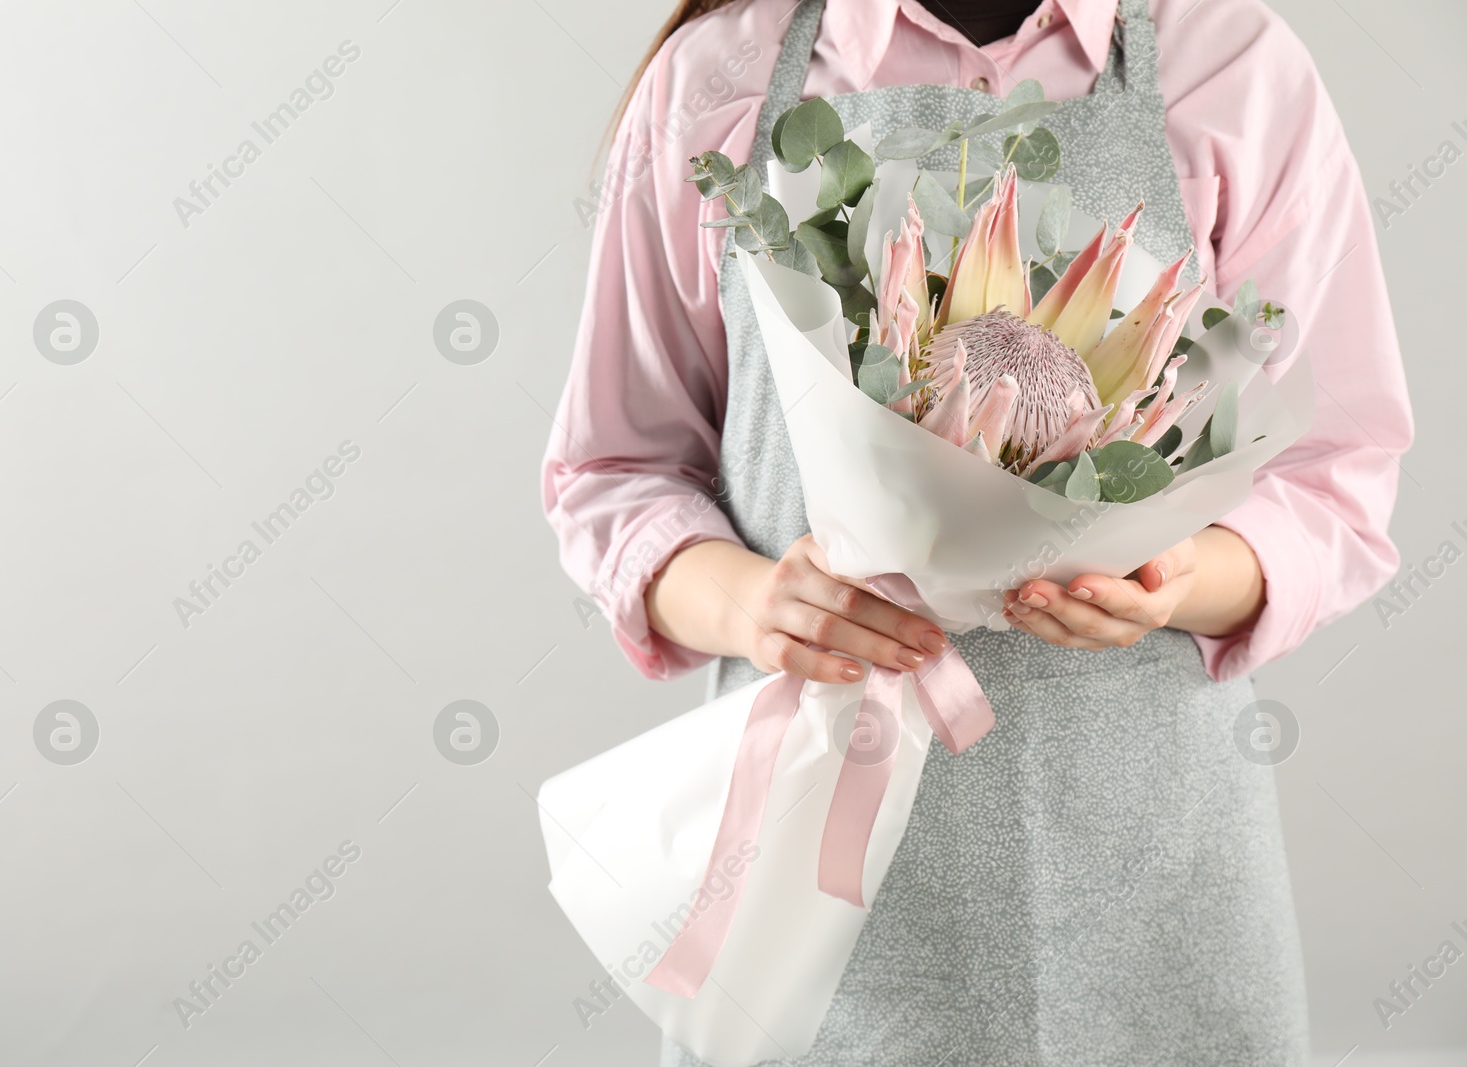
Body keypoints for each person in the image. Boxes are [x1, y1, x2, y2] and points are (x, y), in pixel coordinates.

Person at [541, 0, 1414, 1063]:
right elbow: (612, 470)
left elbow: (1335, 472)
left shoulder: (1232, 64)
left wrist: (1181, 575)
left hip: (1159, 870)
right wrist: (758, 602)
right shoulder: (717, 80)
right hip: (827, 879)